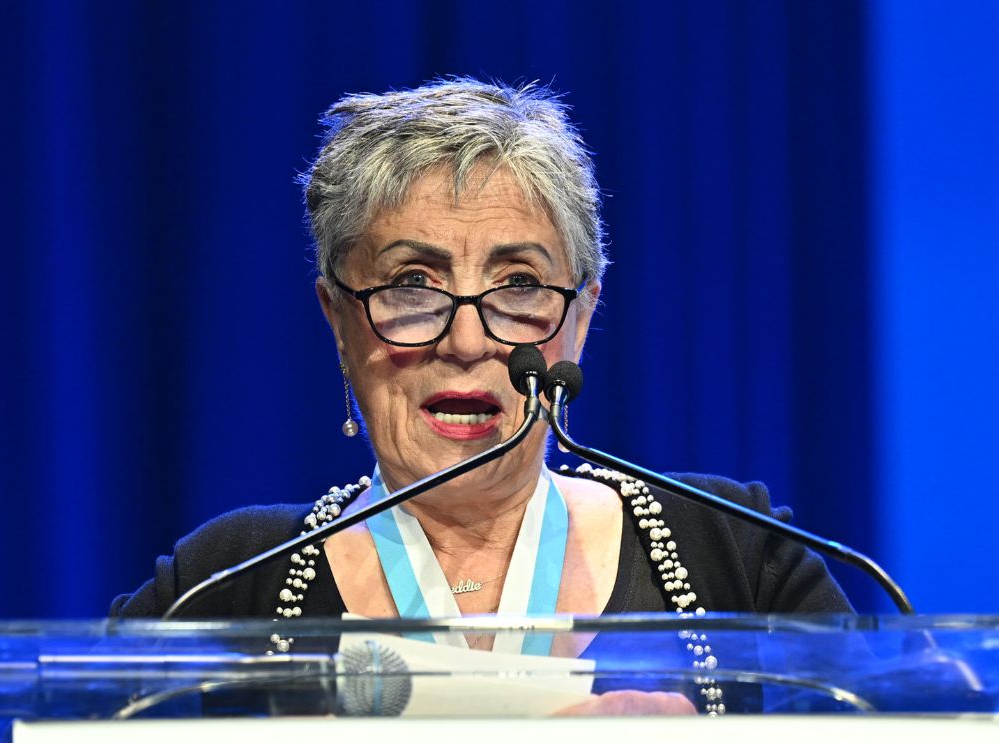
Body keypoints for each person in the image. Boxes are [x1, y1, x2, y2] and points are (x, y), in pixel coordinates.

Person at [111, 80, 851, 712]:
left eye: (519, 286)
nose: (466, 341)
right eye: (412, 285)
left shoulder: (738, 554)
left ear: (581, 317)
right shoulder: (227, 583)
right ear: (338, 320)